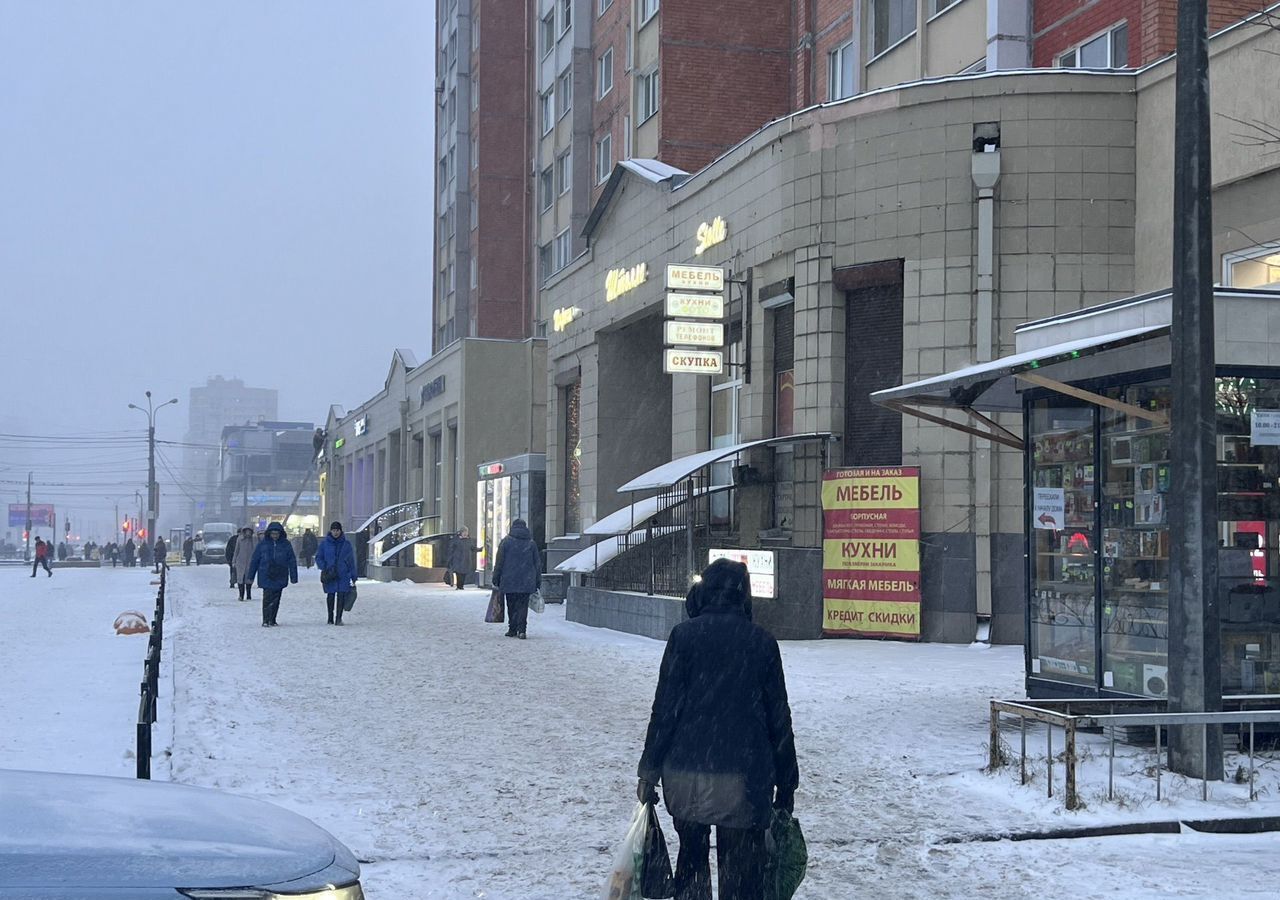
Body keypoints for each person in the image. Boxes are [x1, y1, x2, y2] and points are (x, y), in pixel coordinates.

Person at [636, 558, 799, 900]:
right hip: (744, 778)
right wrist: (786, 785)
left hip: (686, 775)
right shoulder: (761, 642)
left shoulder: (683, 637)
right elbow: (778, 719)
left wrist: (648, 772)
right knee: (742, 874)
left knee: (691, 861)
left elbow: (664, 710)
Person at [492, 519, 541, 639]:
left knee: (511, 604)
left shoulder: (506, 542)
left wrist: (496, 578)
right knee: (523, 605)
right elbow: (537, 564)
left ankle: (512, 628)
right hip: (526, 580)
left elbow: (499, 562)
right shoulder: (531, 543)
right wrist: (537, 581)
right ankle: (522, 630)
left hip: (509, 579)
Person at [246, 521, 298, 627]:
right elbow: (255, 560)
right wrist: (250, 576)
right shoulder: (263, 545)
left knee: (276, 598)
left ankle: (273, 619)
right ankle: (266, 619)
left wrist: (294, 576)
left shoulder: (286, 544)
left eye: (276, 534)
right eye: (273, 533)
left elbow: (292, 560)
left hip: (280, 574)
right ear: (269, 533)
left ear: (280, 534)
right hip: (266, 574)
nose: (275, 536)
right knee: (267, 597)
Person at [315, 521, 358, 625]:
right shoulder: (324, 544)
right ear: (330, 531)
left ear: (340, 531)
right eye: (333, 530)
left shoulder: (346, 545)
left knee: (342, 595)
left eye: (337, 530)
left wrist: (353, 575)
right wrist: (324, 567)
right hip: (330, 574)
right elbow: (318, 557)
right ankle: (330, 617)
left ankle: (338, 618)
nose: (335, 532)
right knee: (330, 595)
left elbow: (351, 560)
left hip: (343, 574)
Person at [232, 526, 256, 602]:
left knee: (249, 579)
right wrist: (234, 561)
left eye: (249, 532)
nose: (248, 533)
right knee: (240, 579)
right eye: (246, 531)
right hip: (240, 562)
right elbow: (236, 550)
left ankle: (249, 594)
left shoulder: (253, 540)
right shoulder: (240, 539)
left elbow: (256, 550)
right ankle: (241, 595)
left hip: (250, 562)